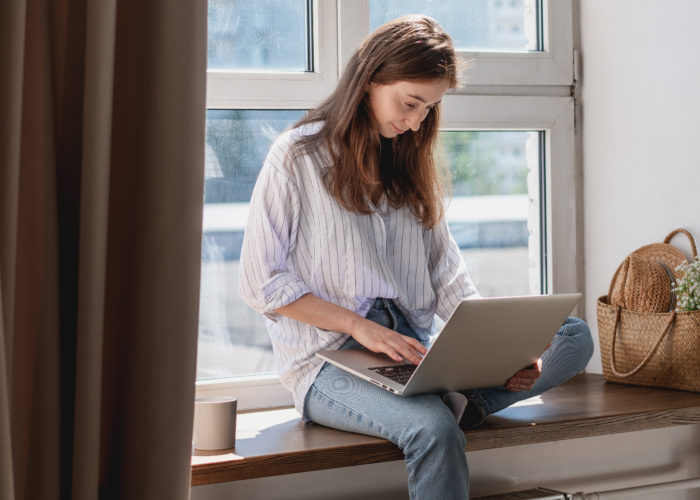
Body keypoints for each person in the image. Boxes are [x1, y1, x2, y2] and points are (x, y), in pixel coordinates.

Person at [239, 15, 593, 499]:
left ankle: (452, 396)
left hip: (417, 354)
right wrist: (359, 326)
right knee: (434, 431)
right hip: (327, 363)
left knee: (572, 337)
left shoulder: (409, 165)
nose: (416, 122)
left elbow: (449, 280)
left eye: (429, 108)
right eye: (410, 103)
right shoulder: (297, 156)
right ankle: (453, 406)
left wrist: (507, 349)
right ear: (370, 80)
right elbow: (262, 283)